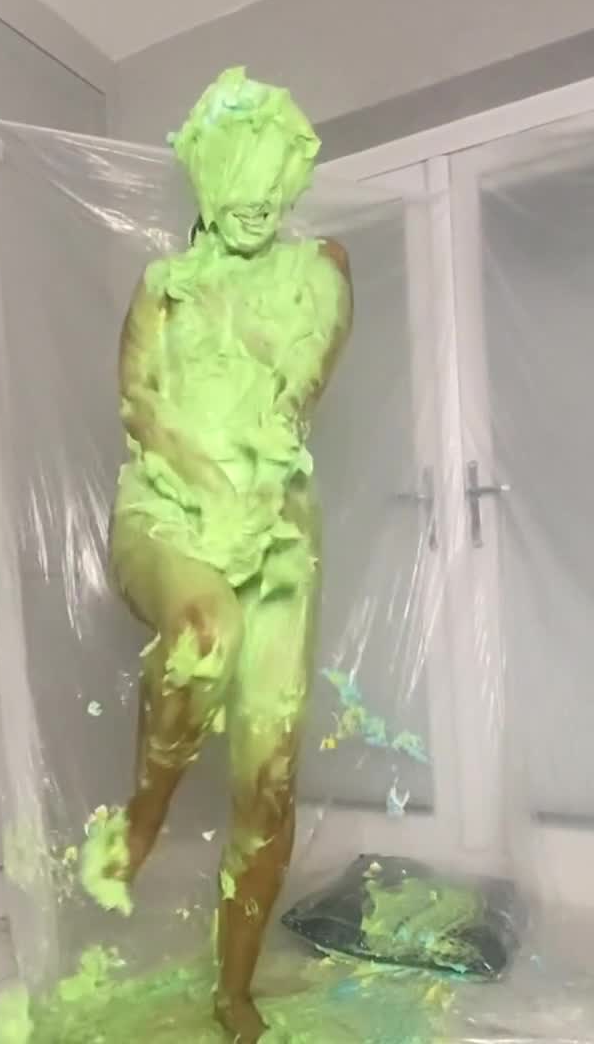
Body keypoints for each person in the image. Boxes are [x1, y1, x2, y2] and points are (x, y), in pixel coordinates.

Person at [79, 67, 353, 1043]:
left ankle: (234, 991)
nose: (254, 201)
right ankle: (143, 816)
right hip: (169, 514)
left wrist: (277, 423)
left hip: (277, 532)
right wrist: (209, 481)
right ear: (202, 178)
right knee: (205, 633)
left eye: (269, 182)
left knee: (269, 779)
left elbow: (311, 365)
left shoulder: (319, 265)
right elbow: (140, 407)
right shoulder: (162, 288)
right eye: (235, 180)